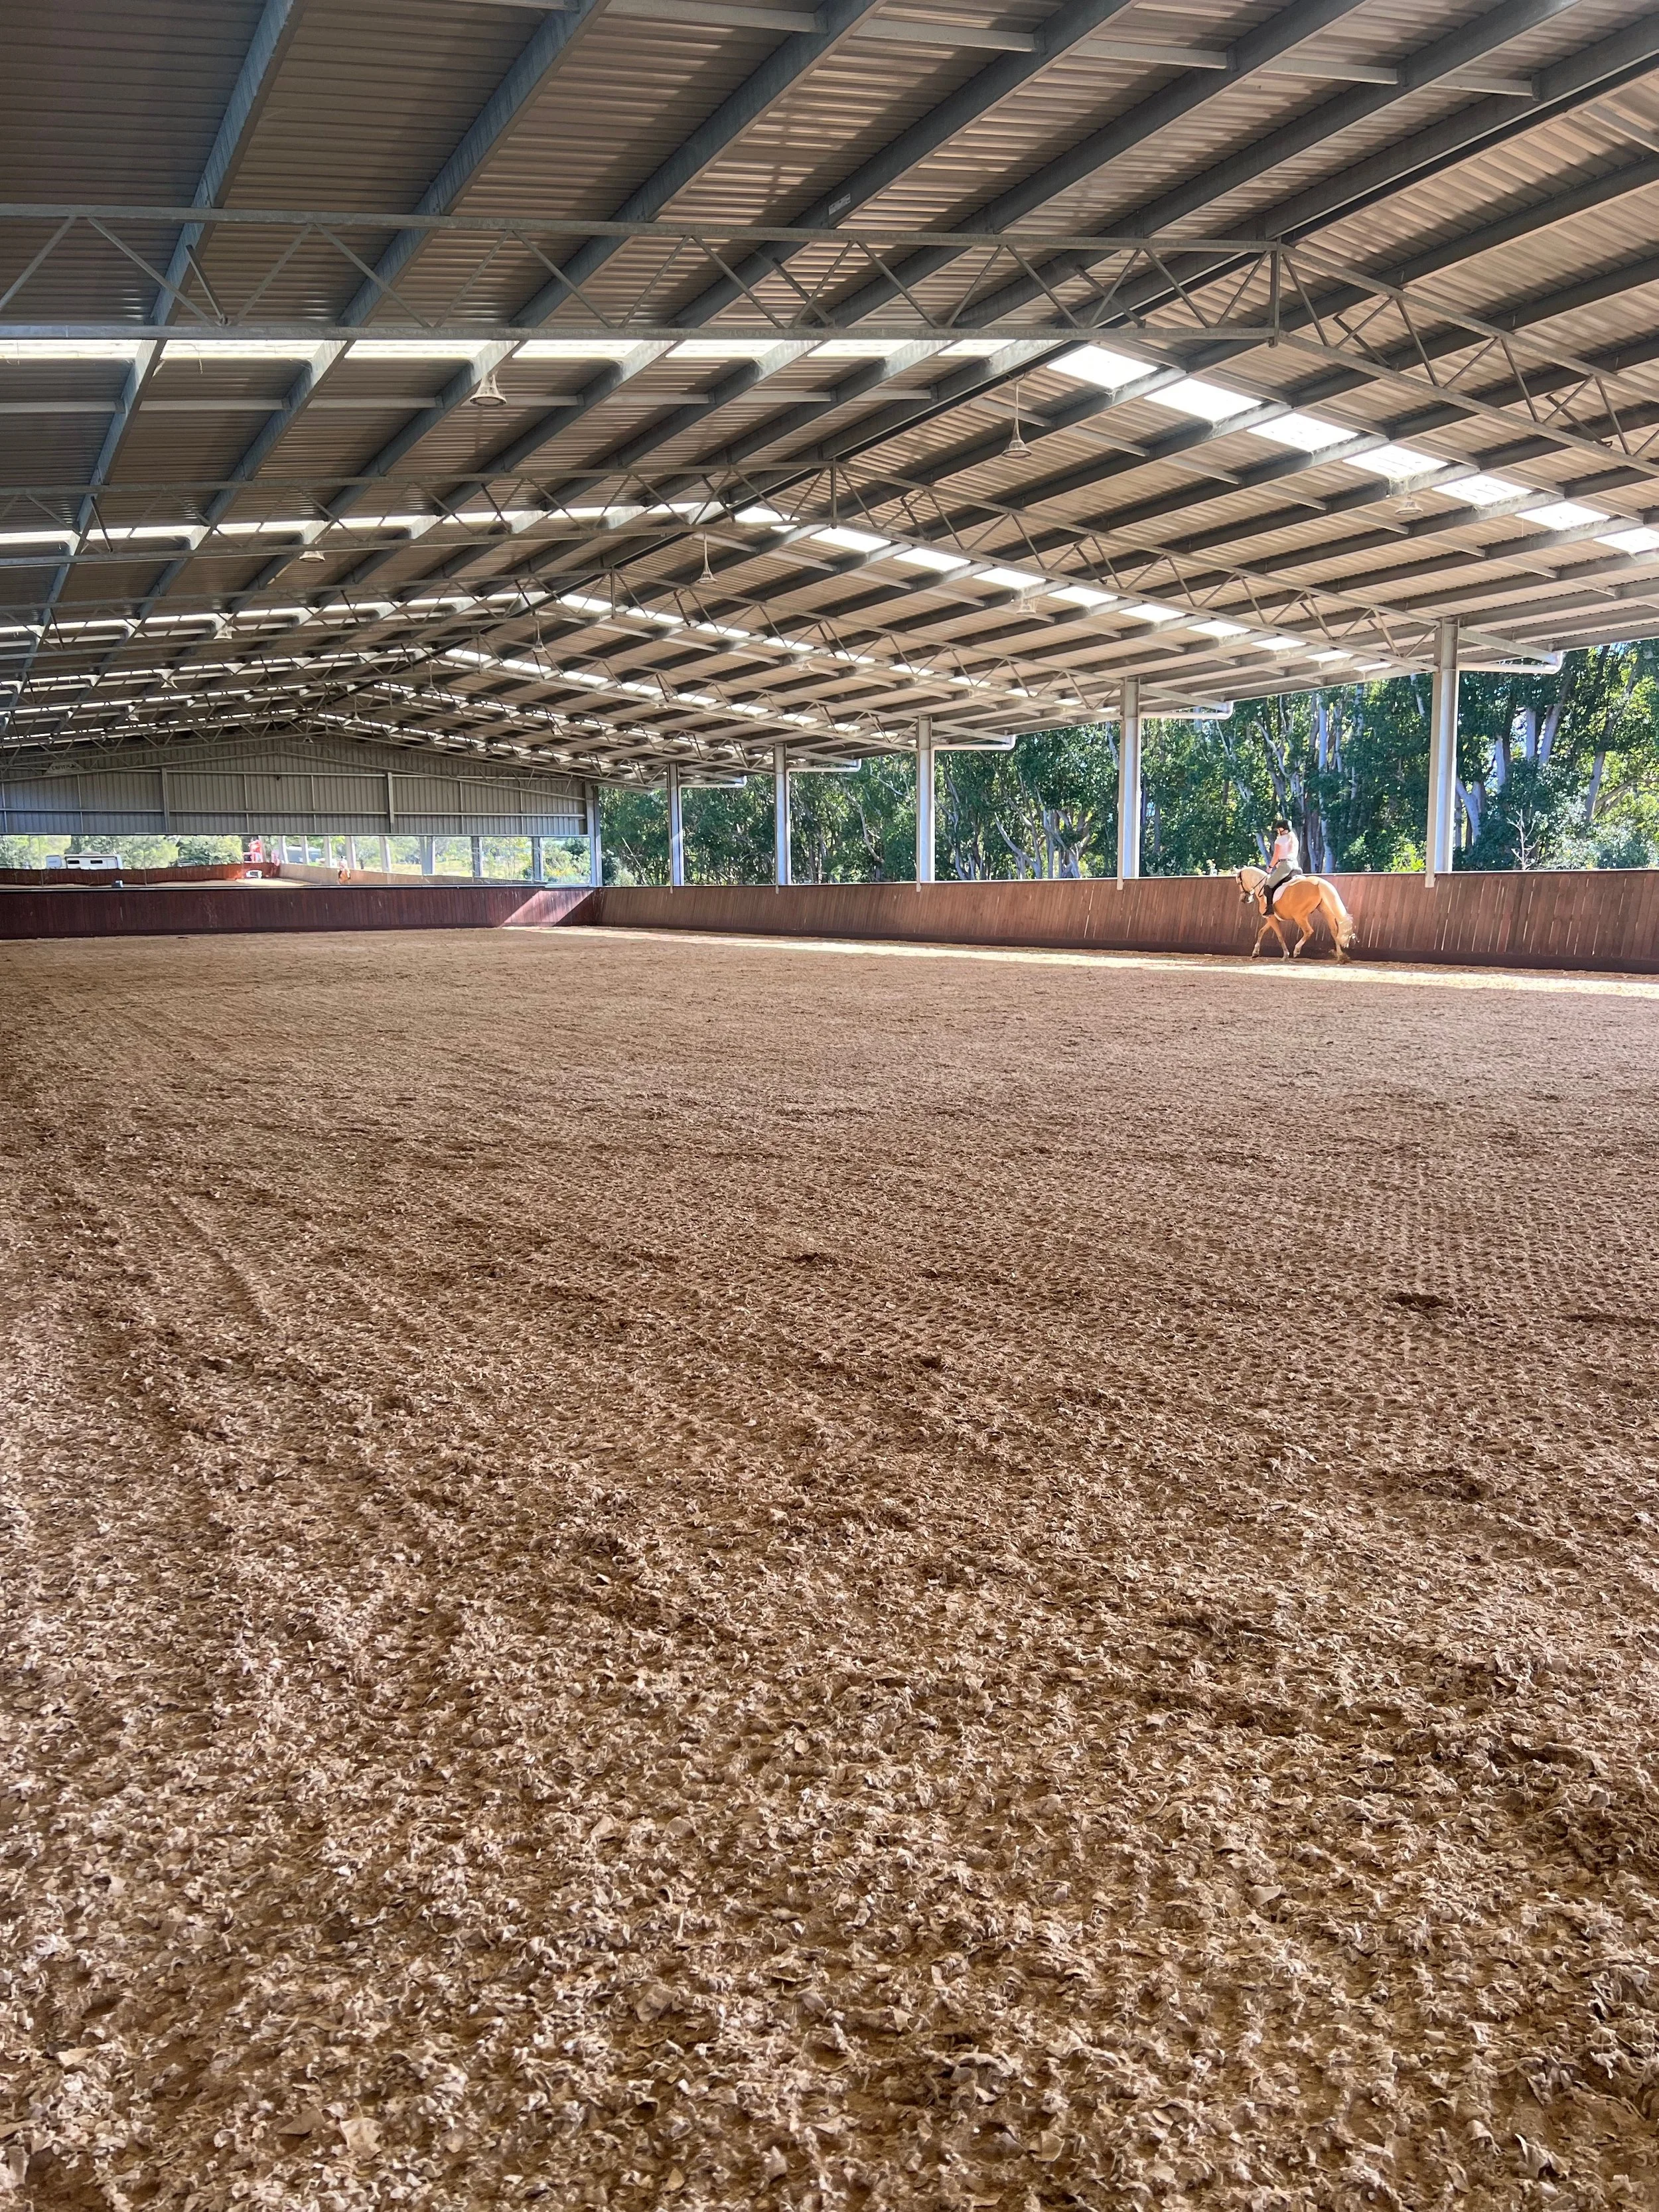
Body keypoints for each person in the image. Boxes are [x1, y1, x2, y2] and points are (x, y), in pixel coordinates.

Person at [1262, 819, 1301, 911]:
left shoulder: (1280, 840)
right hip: (1295, 865)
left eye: (1278, 829)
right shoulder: (1294, 839)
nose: (1278, 832)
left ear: (1282, 829)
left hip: (1285, 866)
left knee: (1268, 885)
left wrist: (1270, 867)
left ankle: (1270, 909)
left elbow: (1276, 856)